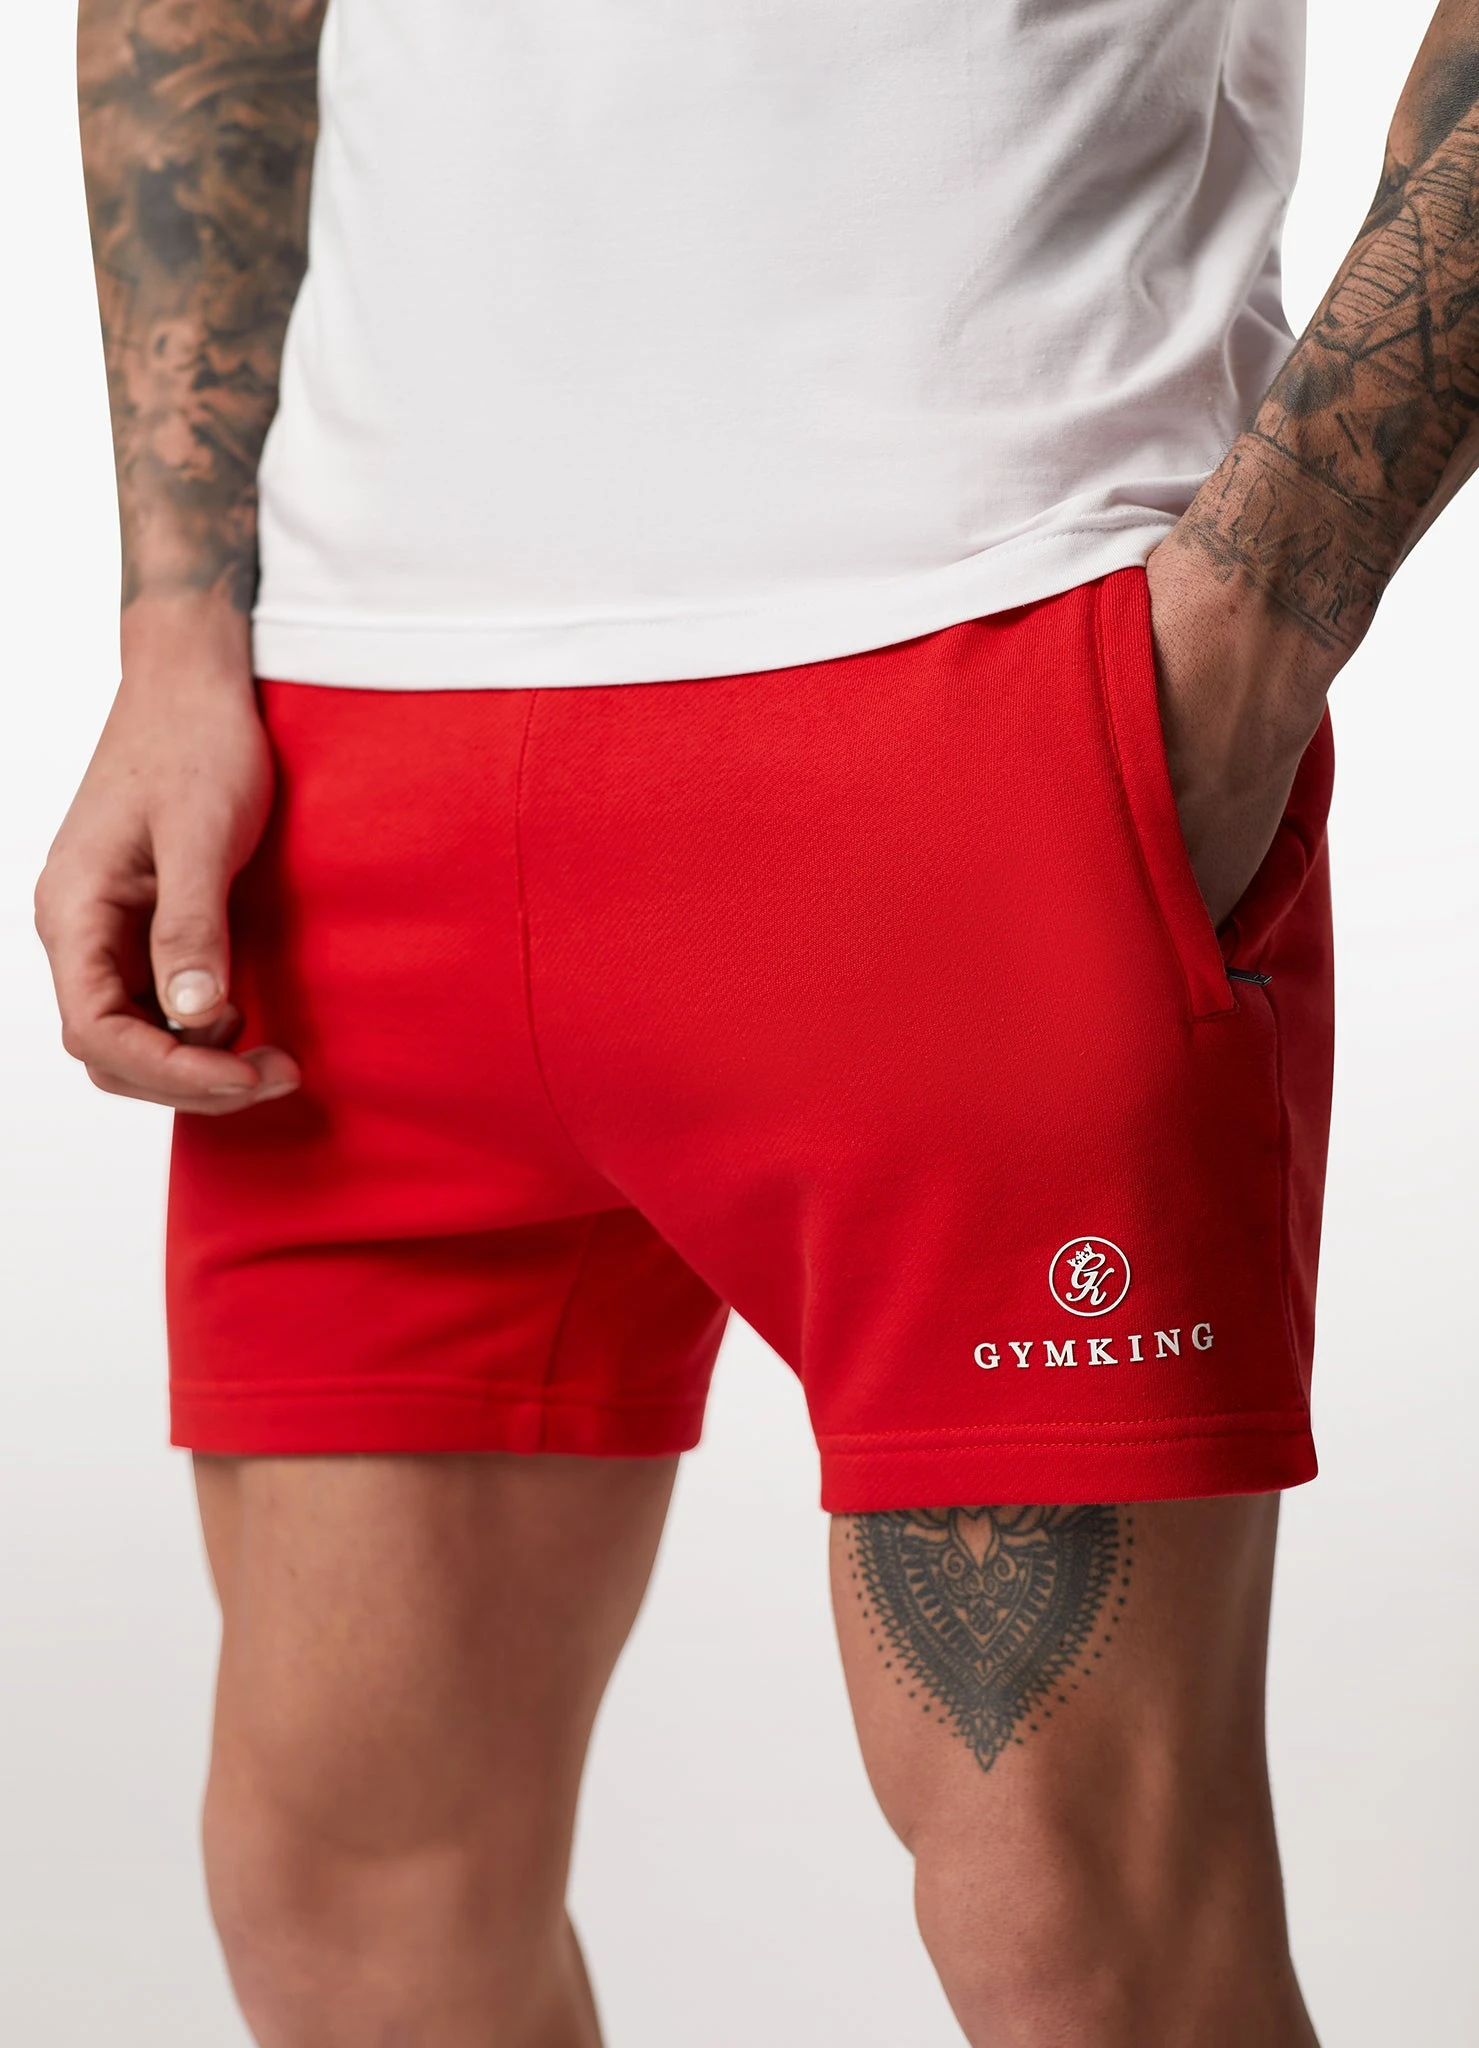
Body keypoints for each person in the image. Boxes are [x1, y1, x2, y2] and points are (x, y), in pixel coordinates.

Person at [34, 0, 1479, 2040]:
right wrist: (178, 628)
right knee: (340, 1912)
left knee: (1076, 1938)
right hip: (352, 733)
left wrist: (1259, 611)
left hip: (975, 663)